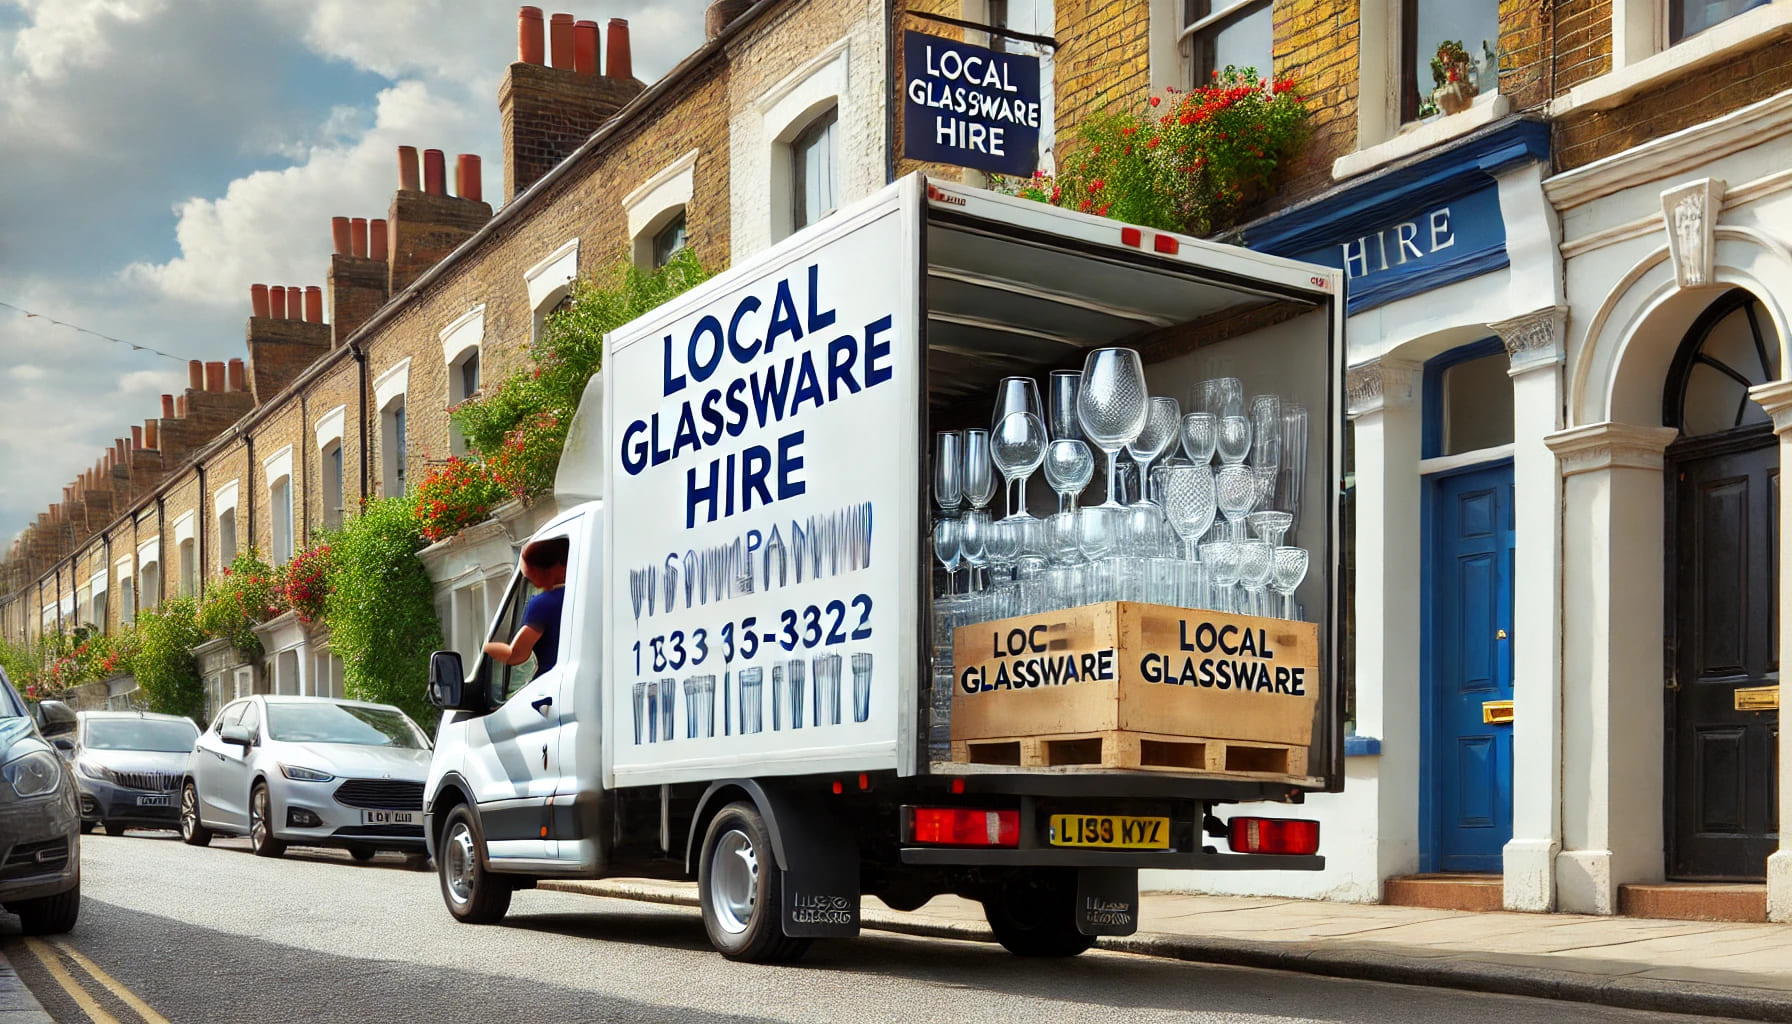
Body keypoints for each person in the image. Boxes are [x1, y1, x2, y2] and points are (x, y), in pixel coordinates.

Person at [484, 536, 569, 675]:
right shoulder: (592, 590)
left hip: (554, 680)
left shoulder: (543, 604)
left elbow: (516, 655)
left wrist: (487, 648)